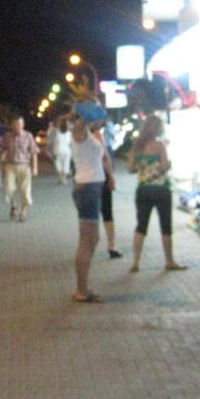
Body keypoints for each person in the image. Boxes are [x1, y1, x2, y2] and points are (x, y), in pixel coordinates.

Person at [127, 114, 185, 273]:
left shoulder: (136, 146)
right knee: (166, 225)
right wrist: (167, 165)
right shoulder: (159, 145)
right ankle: (169, 260)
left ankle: (135, 262)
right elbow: (164, 167)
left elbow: (130, 169)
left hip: (143, 189)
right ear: (157, 129)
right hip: (161, 189)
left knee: (141, 225)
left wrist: (144, 168)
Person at [69, 105, 115, 302]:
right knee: (87, 241)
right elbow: (77, 128)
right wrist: (83, 115)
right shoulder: (80, 133)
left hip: (91, 189)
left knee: (91, 239)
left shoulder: (89, 134)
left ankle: (83, 289)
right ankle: (81, 291)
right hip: (87, 189)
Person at [0, 116, 39, 222]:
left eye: (19, 124)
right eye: (15, 124)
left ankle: (23, 212)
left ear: (23, 125)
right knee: (9, 189)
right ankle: (13, 205)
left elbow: (34, 152)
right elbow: (1, 149)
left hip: (24, 166)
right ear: (12, 125)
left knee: (25, 190)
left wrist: (35, 167)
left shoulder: (28, 136)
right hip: (10, 165)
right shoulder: (7, 136)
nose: (17, 126)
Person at [92, 124, 120, 258]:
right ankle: (111, 245)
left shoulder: (75, 135)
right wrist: (111, 176)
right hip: (100, 176)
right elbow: (105, 157)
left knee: (89, 215)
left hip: (83, 180)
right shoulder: (97, 134)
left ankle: (88, 246)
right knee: (107, 211)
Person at [49, 118, 72, 184]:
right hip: (67, 150)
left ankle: (60, 178)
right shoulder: (69, 133)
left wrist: (50, 150)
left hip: (57, 150)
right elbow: (71, 143)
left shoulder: (56, 132)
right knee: (66, 164)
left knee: (58, 164)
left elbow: (52, 142)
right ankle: (64, 179)